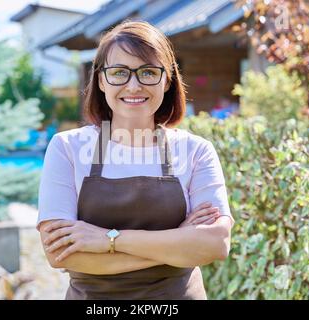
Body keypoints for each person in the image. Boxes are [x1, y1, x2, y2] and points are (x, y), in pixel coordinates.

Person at [37, 21, 234, 300]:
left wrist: (108, 240)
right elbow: (59, 254)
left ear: (167, 80)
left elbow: (216, 244)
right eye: (119, 73)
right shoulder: (67, 148)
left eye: (148, 72)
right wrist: (177, 244)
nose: (133, 85)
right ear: (101, 80)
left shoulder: (196, 150)